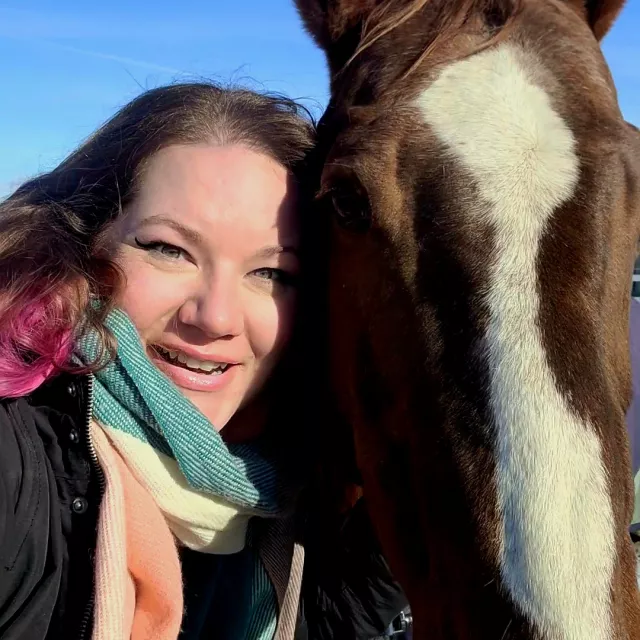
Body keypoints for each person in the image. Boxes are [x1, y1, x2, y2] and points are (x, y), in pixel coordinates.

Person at [0, 82, 407, 640]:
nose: (214, 317)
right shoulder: (17, 458)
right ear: (87, 244)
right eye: (169, 249)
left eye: (270, 274)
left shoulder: (299, 494)